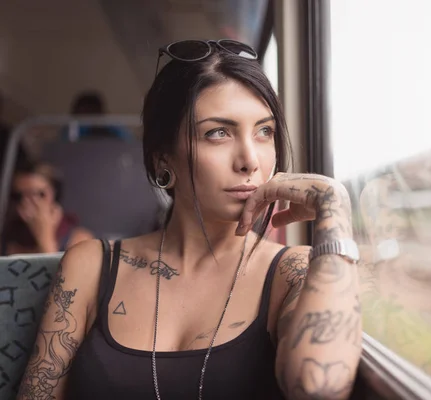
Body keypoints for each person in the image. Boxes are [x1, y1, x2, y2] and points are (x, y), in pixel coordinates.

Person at [17, 39, 362, 399]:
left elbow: (320, 387)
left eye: (265, 132)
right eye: (218, 133)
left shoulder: (294, 271)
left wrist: (333, 205)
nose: (250, 160)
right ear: (164, 158)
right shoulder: (89, 265)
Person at [1, 162, 94, 255]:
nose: (27, 202)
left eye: (39, 194)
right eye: (19, 196)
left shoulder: (79, 240)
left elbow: (60, 269)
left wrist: (45, 237)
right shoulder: (7, 238)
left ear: (55, 195)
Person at [63, 90, 133, 141]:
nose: (86, 121)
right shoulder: (70, 129)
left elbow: (129, 143)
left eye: (89, 112)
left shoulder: (115, 128)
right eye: (81, 113)